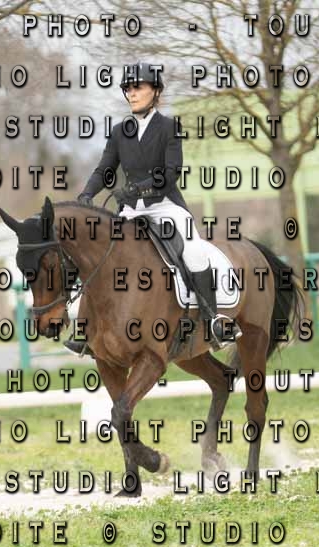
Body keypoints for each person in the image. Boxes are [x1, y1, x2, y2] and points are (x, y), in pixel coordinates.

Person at [66, 62, 241, 357]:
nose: (132, 94)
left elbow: (171, 172)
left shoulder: (169, 128)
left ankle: (213, 321)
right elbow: (104, 169)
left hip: (166, 206)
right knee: (100, 256)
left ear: (155, 92)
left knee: (194, 252)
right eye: (128, 89)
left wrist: (138, 189)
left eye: (138, 88)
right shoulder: (119, 132)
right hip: (131, 212)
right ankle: (84, 330)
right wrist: (86, 194)